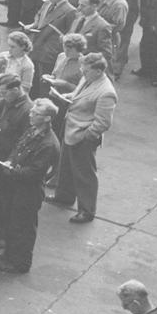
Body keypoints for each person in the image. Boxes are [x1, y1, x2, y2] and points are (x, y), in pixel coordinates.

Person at [0, 99, 59, 274]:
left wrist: (13, 171)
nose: (30, 115)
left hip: (28, 191)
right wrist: (10, 161)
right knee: (11, 222)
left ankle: (21, 263)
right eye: (32, 112)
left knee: (23, 227)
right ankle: (9, 254)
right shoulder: (32, 130)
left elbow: (35, 172)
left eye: (35, 114)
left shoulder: (48, 144)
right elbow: (17, 148)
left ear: (47, 118)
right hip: (16, 185)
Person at [56, 52, 119, 224]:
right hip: (71, 127)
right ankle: (64, 196)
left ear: (98, 71)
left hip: (83, 135)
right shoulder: (88, 78)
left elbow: (103, 122)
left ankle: (87, 210)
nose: (83, 73)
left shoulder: (106, 92)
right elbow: (79, 94)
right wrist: (69, 97)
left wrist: (86, 136)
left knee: (84, 174)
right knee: (66, 165)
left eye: (86, 71)